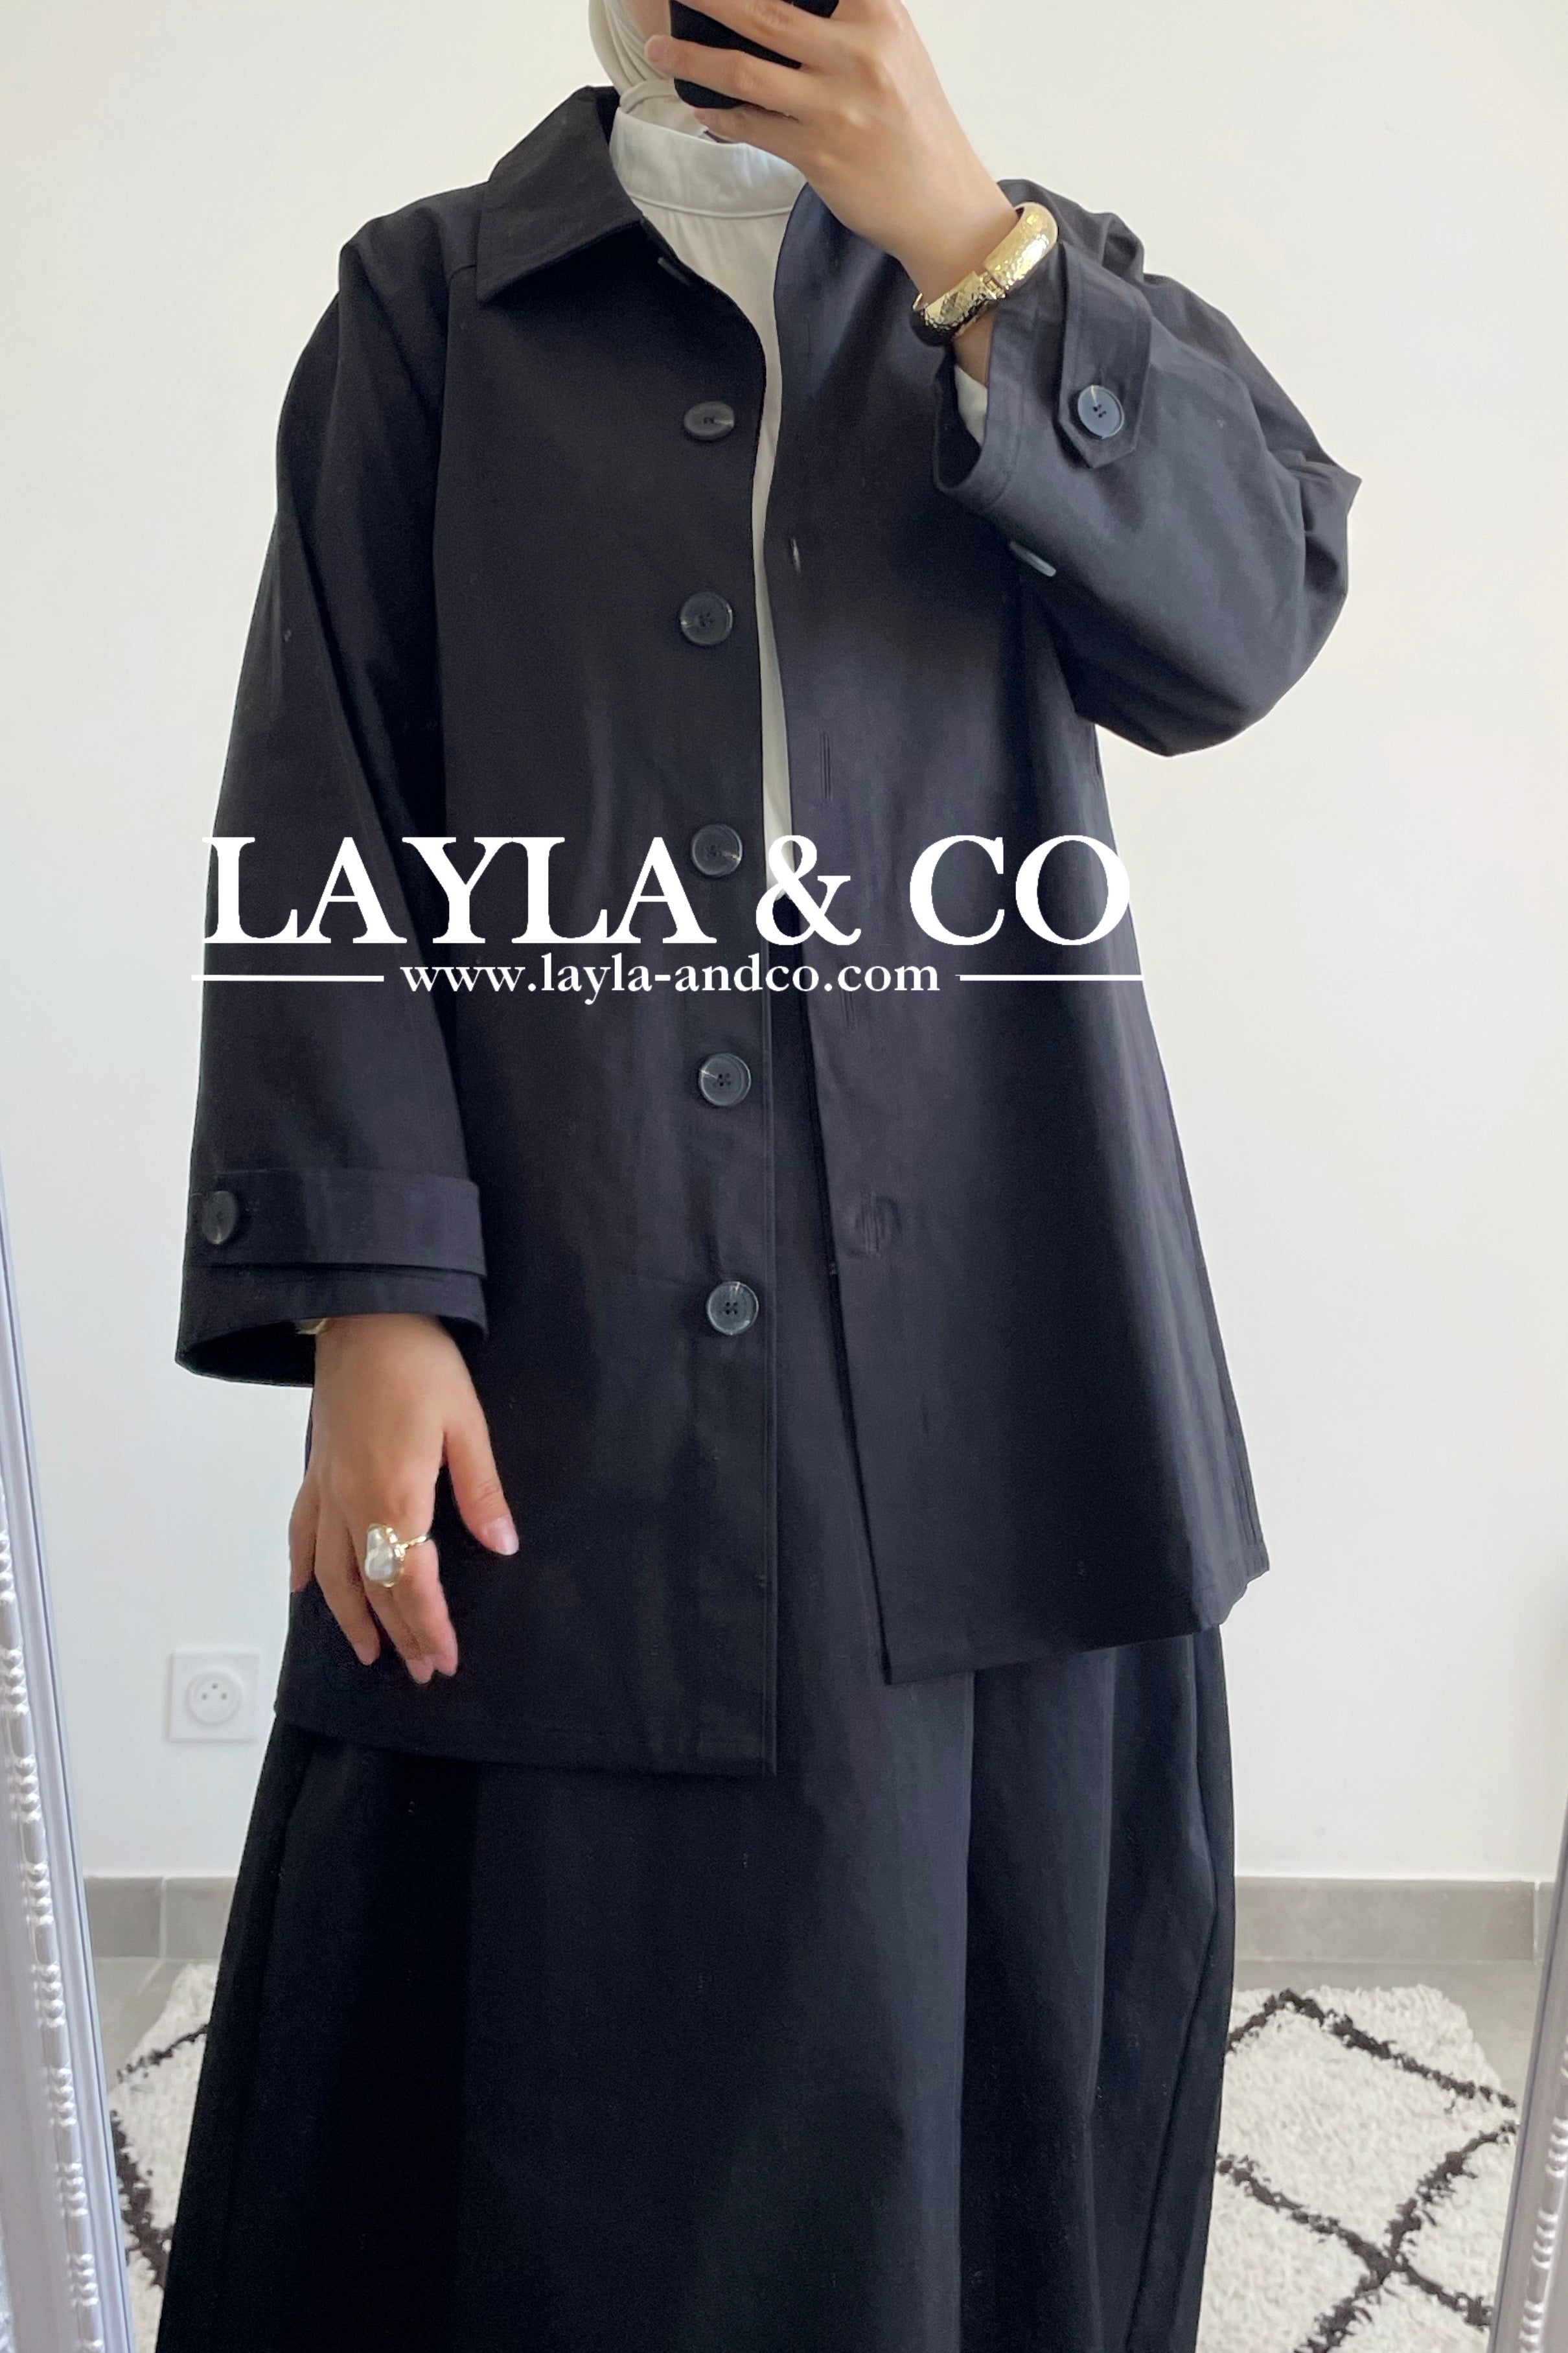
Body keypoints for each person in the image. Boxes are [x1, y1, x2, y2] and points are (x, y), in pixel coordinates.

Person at [156, 1, 1357, 2345]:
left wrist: (969, 242)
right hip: (563, 1277)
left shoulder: (1031, 281)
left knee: (963, 2022)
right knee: (523, 2031)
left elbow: (1239, 628)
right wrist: (368, 1299)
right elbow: (320, 809)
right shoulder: (428, 309)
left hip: (1001, 1321)